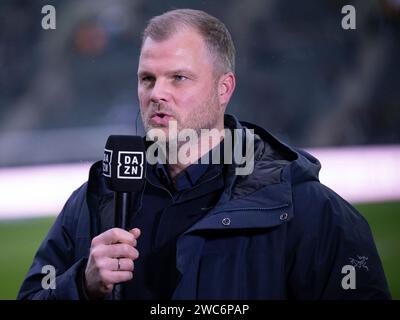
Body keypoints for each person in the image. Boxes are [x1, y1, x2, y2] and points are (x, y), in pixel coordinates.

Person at [18, 9, 391, 300]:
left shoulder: (304, 207)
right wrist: (81, 284)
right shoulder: (97, 199)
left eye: (178, 78)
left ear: (223, 88)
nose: (156, 94)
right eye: (147, 78)